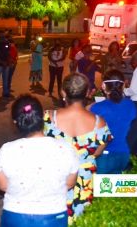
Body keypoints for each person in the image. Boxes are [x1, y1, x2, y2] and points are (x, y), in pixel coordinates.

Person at [0, 94, 79, 227]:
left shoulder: (7, 150)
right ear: (43, 118)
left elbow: (3, 186)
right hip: (54, 216)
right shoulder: (65, 148)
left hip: (16, 217)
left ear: (16, 122)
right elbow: (70, 183)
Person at [43, 73, 112, 224]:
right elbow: (97, 153)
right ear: (88, 93)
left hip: (55, 180)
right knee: (80, 221)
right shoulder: (99, 123)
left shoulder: (48, 118)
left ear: (63, 92)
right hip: (84, 182)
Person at [90, 70, 137, 174]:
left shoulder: (97, 108)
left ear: (103, 86)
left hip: (104, 156)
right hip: (123, 154)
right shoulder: (131, 105)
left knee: (101, 188)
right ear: (123, 85)